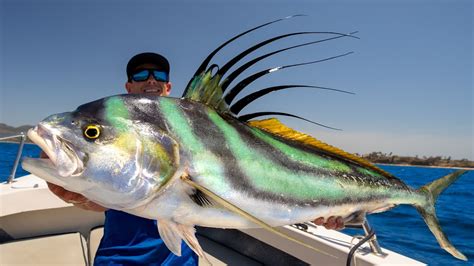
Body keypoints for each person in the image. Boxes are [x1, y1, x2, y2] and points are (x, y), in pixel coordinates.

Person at [46, 52, 345, 265]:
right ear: (129, 87)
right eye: (140, 75)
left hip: (181, 261)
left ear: (168, 86)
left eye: (158, 75)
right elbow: (117, 195)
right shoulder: (122, 131)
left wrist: (322, 208)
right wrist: (79, 196)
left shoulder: (199, 132)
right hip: (120, 257)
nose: (150, 79)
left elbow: (261, 186)